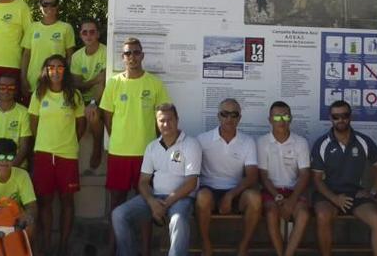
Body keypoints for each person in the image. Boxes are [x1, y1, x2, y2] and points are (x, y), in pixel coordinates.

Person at [100, 37, 171, 254]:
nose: (132, 57)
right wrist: (119, 137)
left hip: (145, 155)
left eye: (136, 53)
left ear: (142, 55)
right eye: (128, 53)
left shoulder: (154, 83)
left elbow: (162, 119)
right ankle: (113, 248)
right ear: (122, 57)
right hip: (119, 153)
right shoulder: (113, 82)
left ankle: (145, 250)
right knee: (116, 203)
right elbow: (107, 116)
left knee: (145, 203)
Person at [112, 104, 201, 256]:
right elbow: (143, 181)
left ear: (177, 120)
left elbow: (191, 183)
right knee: (118, 214)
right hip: (155, 197)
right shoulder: (152, 147)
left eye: (170, 120)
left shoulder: (191, 144)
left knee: (177, 220)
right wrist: (152, 202)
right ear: (156, 122)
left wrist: (165, 204)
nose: (166, 124)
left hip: (182, 198)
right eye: (162, 120)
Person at [311, 100, 377, 256]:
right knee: (322, 215)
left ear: (350, 117)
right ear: (330, 118)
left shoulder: (363, 141)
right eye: (336, 116)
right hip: (328, 194)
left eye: (344, 115)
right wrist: (335, 198)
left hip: (355, 194)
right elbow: (317, 180)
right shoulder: (322, 143)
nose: (340, 120)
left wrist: (372, 192)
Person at [28, 54, 86, 256]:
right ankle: (45, 243)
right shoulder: (38, 94)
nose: (55, 71)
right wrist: (45, 142)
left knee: (67, 202)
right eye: (51, 67)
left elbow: (81, 125)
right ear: (46, 70)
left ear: (65, 70)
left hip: (67, 155)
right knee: (45, 202)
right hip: (43, 154)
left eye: (60, 67)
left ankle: (63, 244)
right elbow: (33, 123)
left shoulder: (75, 95)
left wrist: (68, 143)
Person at [196, 98, 262, 256]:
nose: (229, 119)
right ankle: (206, 245)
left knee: (255, 198)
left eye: (234, 115)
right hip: (209, 190)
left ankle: (243, 246)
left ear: (239, 118)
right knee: (202, 197)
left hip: (236, 191)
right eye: (224, 114)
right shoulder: (202, 140)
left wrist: (230, 195)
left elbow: (252, 176)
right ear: (218, 116)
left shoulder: (248, 141)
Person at [256, 101, 311, 256]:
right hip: (271, 191)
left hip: (295, 191)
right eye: (277, 117)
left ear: (291, 118)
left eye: (285, 116)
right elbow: (263, 177)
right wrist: (278, 197)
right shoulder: (262, 142)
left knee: (304, 215)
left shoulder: (300, 142)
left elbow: (305, 174)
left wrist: (292, 200)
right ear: (270, 120)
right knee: (271, 213)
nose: (282, 121)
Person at [20, 0, 75, 98]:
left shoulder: (66, 28)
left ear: (57, 6)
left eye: (52, 4)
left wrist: (65, 78)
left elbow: (70, 57)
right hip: (33, 81)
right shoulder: (32, 27)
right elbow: (26, 55)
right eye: (45, 4)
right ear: (40, 7)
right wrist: (23, 78)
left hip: (56, 81)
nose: (49, 7)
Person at [69, 19, 107, 169]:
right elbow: (77, 84)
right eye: (85, 32)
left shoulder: (105, 52)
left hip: (100, 98)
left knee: (93, 114)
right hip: (80, 98)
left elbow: (102, 82)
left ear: (97, 34)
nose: (89, 35)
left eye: (92, 32)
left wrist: (92, 103)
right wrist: (93, 80)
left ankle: (97, 147)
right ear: (80, 35)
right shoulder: (77, 56)